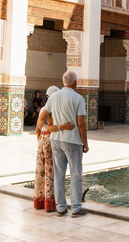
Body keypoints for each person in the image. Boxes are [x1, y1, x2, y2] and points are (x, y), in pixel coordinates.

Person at [38, 70, 89, 217]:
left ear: (63, 82)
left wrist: (51, 129)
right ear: (75, 82)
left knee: (59, 174)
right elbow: (81, 123)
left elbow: (42, 119)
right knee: (76, 174)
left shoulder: (54, 97)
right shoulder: (78, 98)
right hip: (72, 141)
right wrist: (85, 142)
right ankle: (76, 207)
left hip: (56, 141)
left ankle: (60, 207)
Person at [34, 85, 61, 212]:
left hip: (42, 139)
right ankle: (50, 203)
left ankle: (39, 201)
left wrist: (40, 140)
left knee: (40, 171)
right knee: (50, 172)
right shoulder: (55, 110)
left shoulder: (43, 109)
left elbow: (37, 129)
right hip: (51, 139)